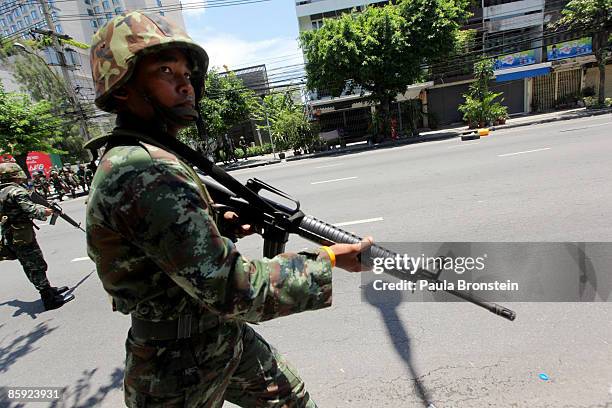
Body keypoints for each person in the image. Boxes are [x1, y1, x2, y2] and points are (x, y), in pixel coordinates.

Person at [85, 11, 373, 407]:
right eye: (166, 71)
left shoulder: (155, 155)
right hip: (173, 364)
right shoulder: (142, 168)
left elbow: (160, 245)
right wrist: (328, 260)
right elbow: (230, 289)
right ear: (122, 88)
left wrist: (214, 224)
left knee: (288, 400)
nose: (185, 84)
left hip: (219, 334)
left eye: (187, 73)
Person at [0, 162, 75, 310]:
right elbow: (31, 210)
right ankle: (49, 299)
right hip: (22, 235)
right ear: (15, 175)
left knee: (29, 264)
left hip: (11, 234)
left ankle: (48, 289)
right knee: (35, 264)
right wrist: (47, 211)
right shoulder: (16, 191)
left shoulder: (2, 192)